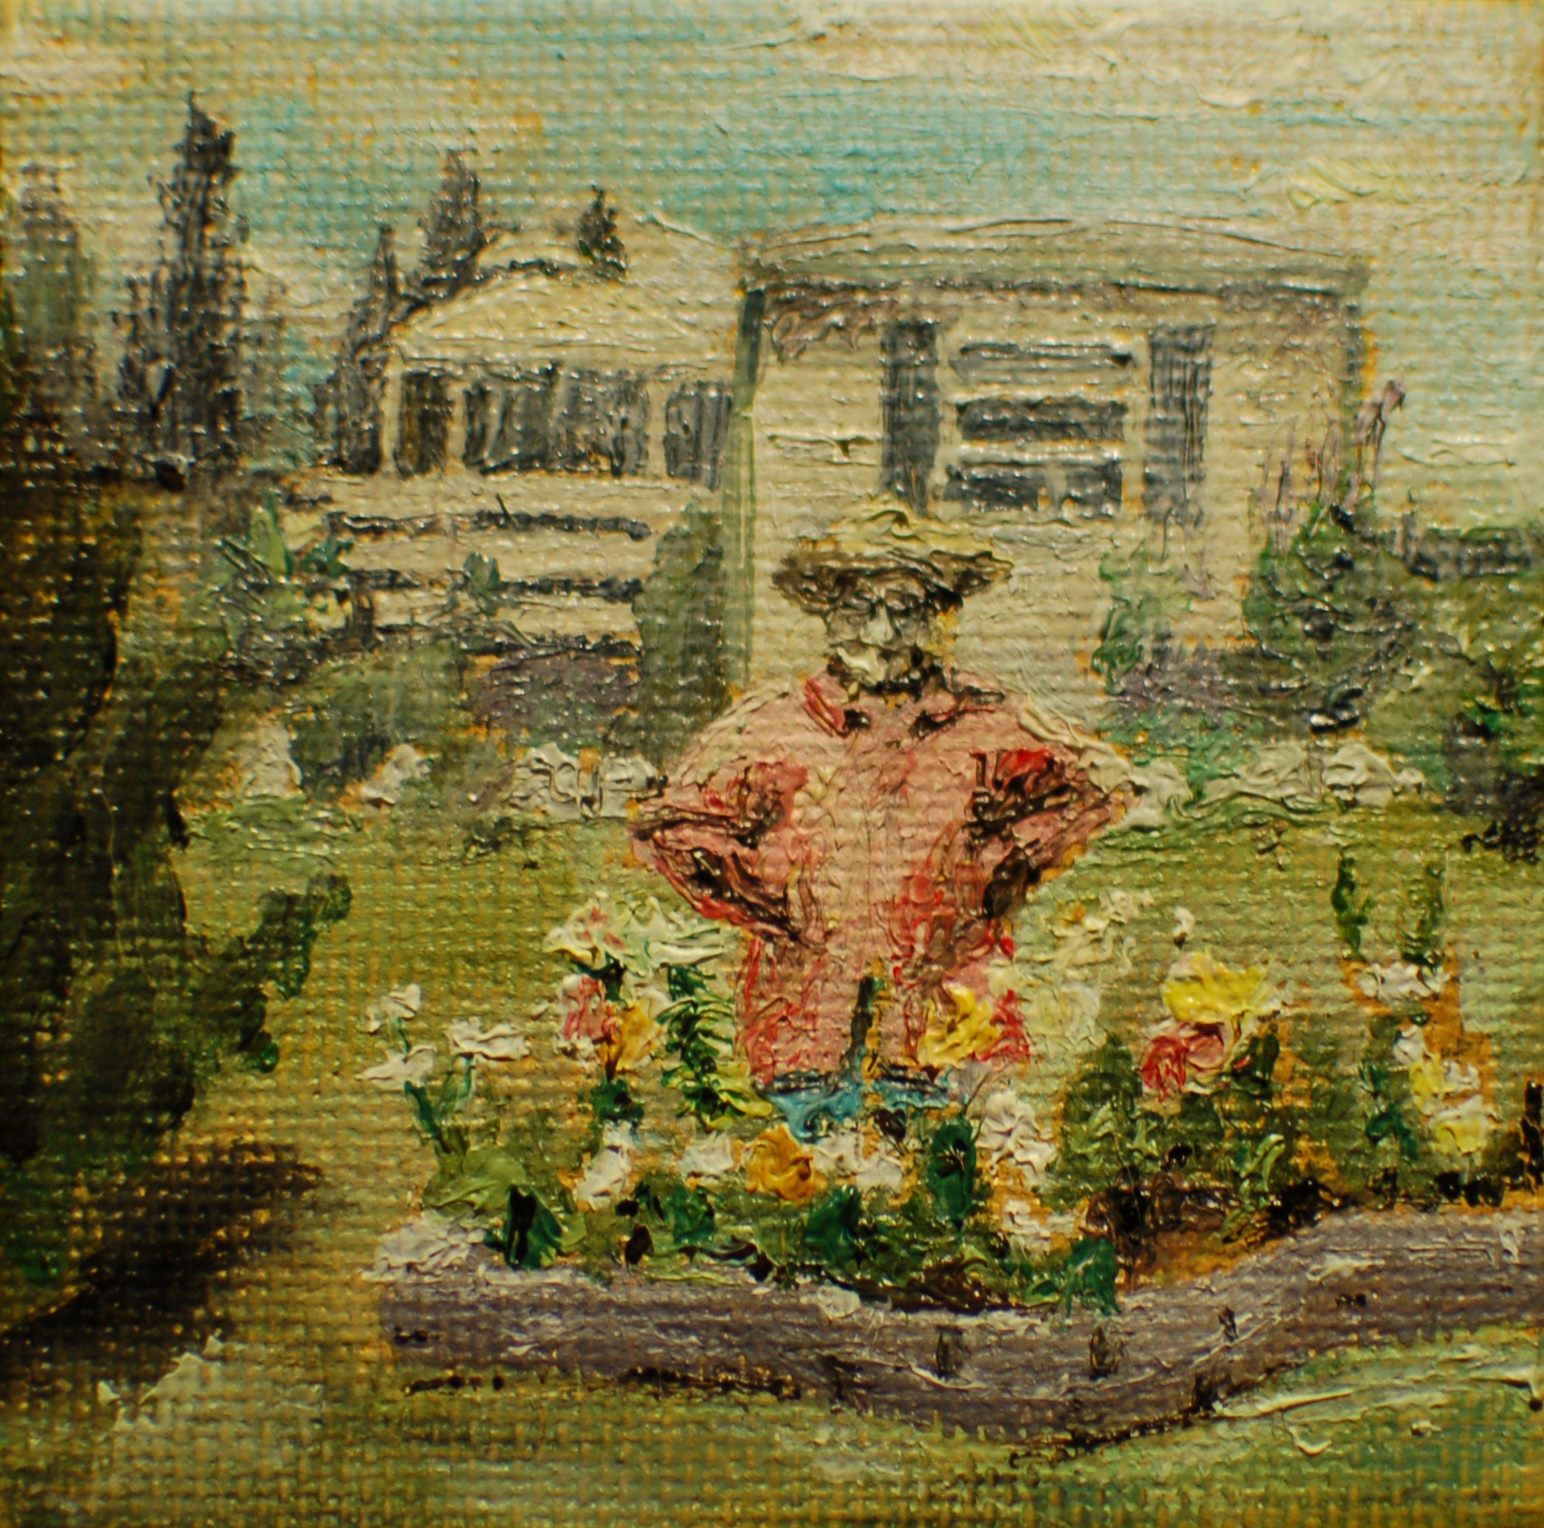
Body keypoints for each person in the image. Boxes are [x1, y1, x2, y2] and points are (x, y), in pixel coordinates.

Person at [630, 503, 1127, 1136]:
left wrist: (990, 871)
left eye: (906, 608)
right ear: (829, 614)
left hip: (947, 1031)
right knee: (800, 1181)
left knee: (950, 1179)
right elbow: (669, 825)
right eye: (860, 608)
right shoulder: (776, 721)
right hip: (803, 1028)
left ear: (938, 616)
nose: (882, 630)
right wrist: (774, 892)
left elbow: (1095, 788)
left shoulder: (985, 719)